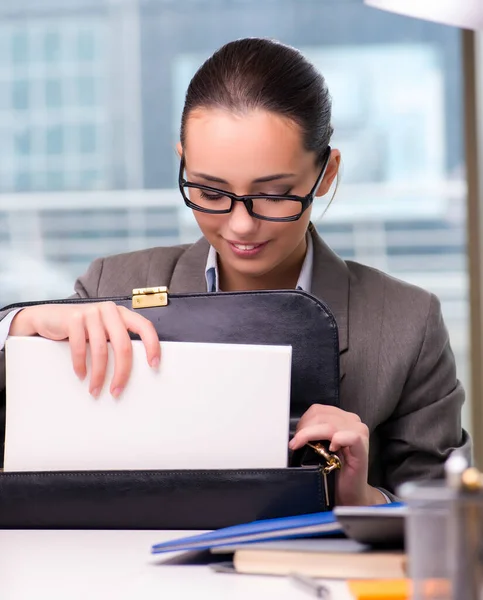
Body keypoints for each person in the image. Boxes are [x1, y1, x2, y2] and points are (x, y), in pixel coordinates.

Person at [0, 37, 470, 506]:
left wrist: (365, 499)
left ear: (325, 173)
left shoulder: (408, 324)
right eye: (209, 191)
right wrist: (17, 329)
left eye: (273, 194)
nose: (241, 224)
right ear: (182, 161)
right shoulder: (110, 286)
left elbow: (448, 516)